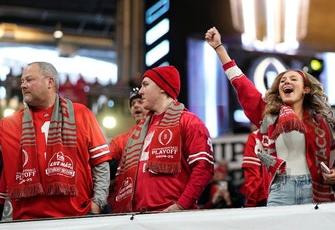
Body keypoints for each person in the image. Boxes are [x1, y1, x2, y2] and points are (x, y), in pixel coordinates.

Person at [205, 27, 335, 206]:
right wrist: (219, 48)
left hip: (314, 190)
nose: (286, 81)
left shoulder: (319, 123)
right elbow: (241, 84)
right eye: (282, 81)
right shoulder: (268, 115)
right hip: (280, 190)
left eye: (293, 79)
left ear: (306, 90)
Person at [0, 61, 111, 220]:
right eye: (22, 81)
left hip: (76, 217)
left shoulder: (81, 114)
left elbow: (100, 162)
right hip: (26, 223)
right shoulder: (8, 124)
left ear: (50, 82)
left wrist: (97, 203)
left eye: (29, 80)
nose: (23, 85)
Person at [112, 65, 214, 213]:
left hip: (172, 217)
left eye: (145, 84)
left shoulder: (190, 122)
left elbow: (203, 168)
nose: (140, 91)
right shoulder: (137, 133)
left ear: (162, 87)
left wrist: (181, 205)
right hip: (136, 218)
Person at [106, 87, 150, 211]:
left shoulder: (159, 133)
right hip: (125, 200)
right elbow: (109, 169)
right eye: (132, 104)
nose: (135, 106)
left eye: (140, 102)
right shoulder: (119, 140)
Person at [241, 128, 271, 207]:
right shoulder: (295, 128)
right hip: (294, 192)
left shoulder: (256, 137)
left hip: (265, 197)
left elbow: (253, 176)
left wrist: (251, 203)